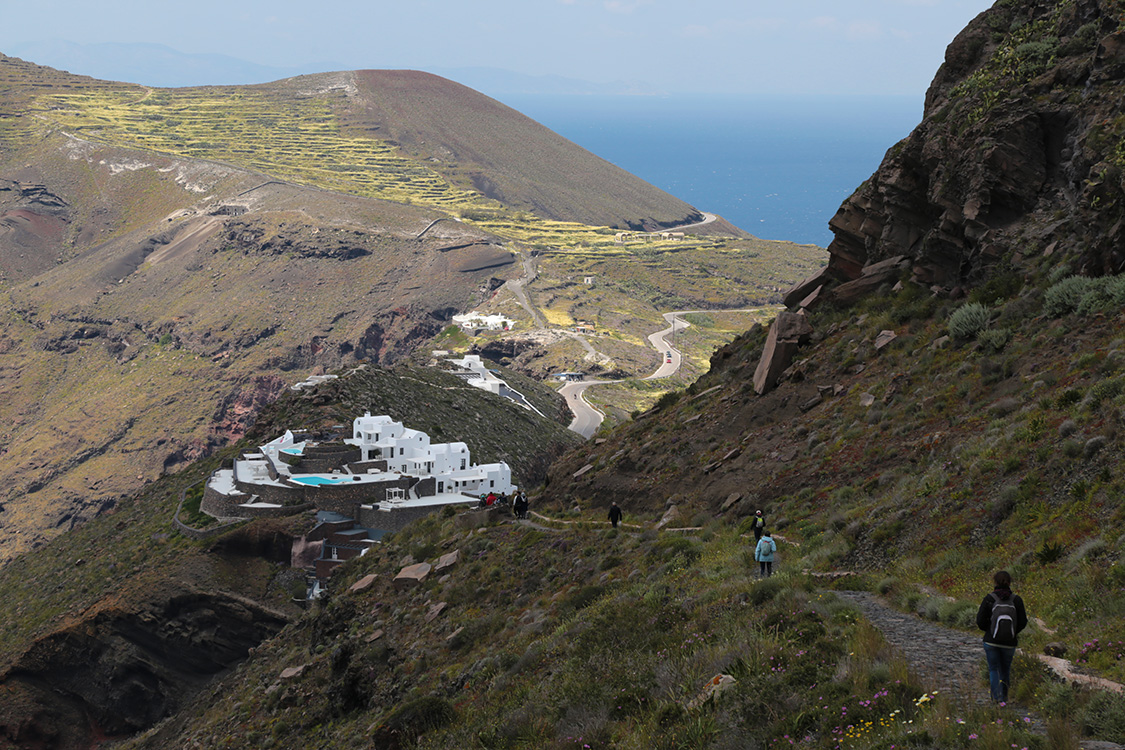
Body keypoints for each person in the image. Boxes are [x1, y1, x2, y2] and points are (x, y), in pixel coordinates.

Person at [975, 570, 1028, 703]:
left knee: (993, 669)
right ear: (1009, 582)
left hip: (991, 642)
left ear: (995, 582)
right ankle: (1004, 698)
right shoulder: (1016, 600)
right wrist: (1013, 632)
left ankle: (996, 700)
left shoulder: (989, 599)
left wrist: (990, 631)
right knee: (1006, 669)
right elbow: (1023, 622)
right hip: (1009, 642)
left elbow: (980, 621)